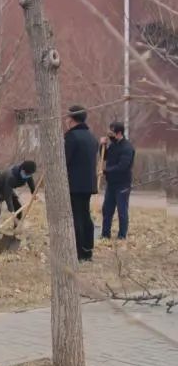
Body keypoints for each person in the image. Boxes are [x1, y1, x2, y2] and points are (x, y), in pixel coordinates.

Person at [64, 105, 99, 261]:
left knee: (77, 217)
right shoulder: (91, 137)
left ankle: (78, 252)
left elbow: (64, 161)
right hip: (88, 184)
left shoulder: (71, 137)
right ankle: (87, 250)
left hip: (74, 184)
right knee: (85, 215)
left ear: (71, 119)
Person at [100, 121, 135, 241]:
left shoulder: (127, 148)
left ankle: (122, 236)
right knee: (107, 209)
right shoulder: (113, 145)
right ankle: (105, 234)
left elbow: (122, 166)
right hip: (111, 184)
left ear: (119, 133)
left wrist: (106, 171)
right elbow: (104, 157)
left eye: (112, 132)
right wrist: (102, 146)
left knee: (122, 210)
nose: (110, 134)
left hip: (122, 184)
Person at [0, 160, 38, 230]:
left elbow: (31, 181)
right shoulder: (11, 176)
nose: (28, 176)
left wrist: (34, 192)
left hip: (8, 186)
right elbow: (7, 195)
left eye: (30, 174)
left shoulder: (27, 174)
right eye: (27, 174)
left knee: (18, 208)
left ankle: (16, 229)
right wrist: (11, 210)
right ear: (22, 170)